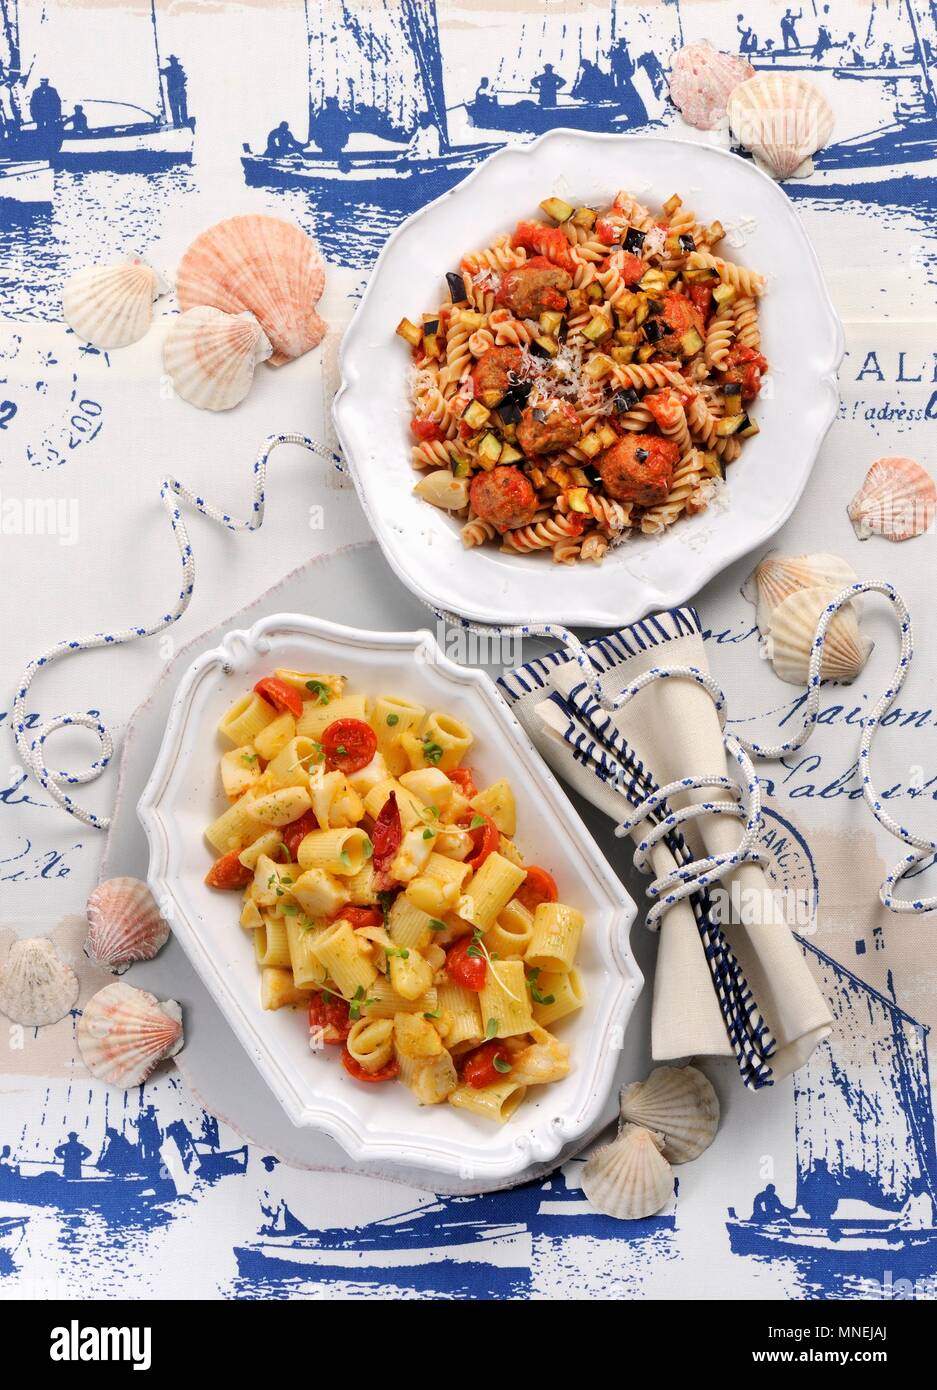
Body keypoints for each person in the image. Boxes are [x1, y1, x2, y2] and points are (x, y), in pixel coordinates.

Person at [308, 95, 352, 160]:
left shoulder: (338, 114)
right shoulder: (325, 114)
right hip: (327, 140)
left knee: (334, 153)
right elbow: (318, 127)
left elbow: (346, 127)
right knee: (329, 153)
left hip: (335, 140)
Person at [159, 54, 189, 128]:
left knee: (180, 107)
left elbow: (185, 78)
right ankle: (179, 123)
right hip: (176, 92)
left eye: (173, 61)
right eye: (172, 61)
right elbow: (160, 72)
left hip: (176, 92)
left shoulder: (172, 70)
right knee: (178, 107)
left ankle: (181, 122)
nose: (173, 62)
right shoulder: (172, 70)